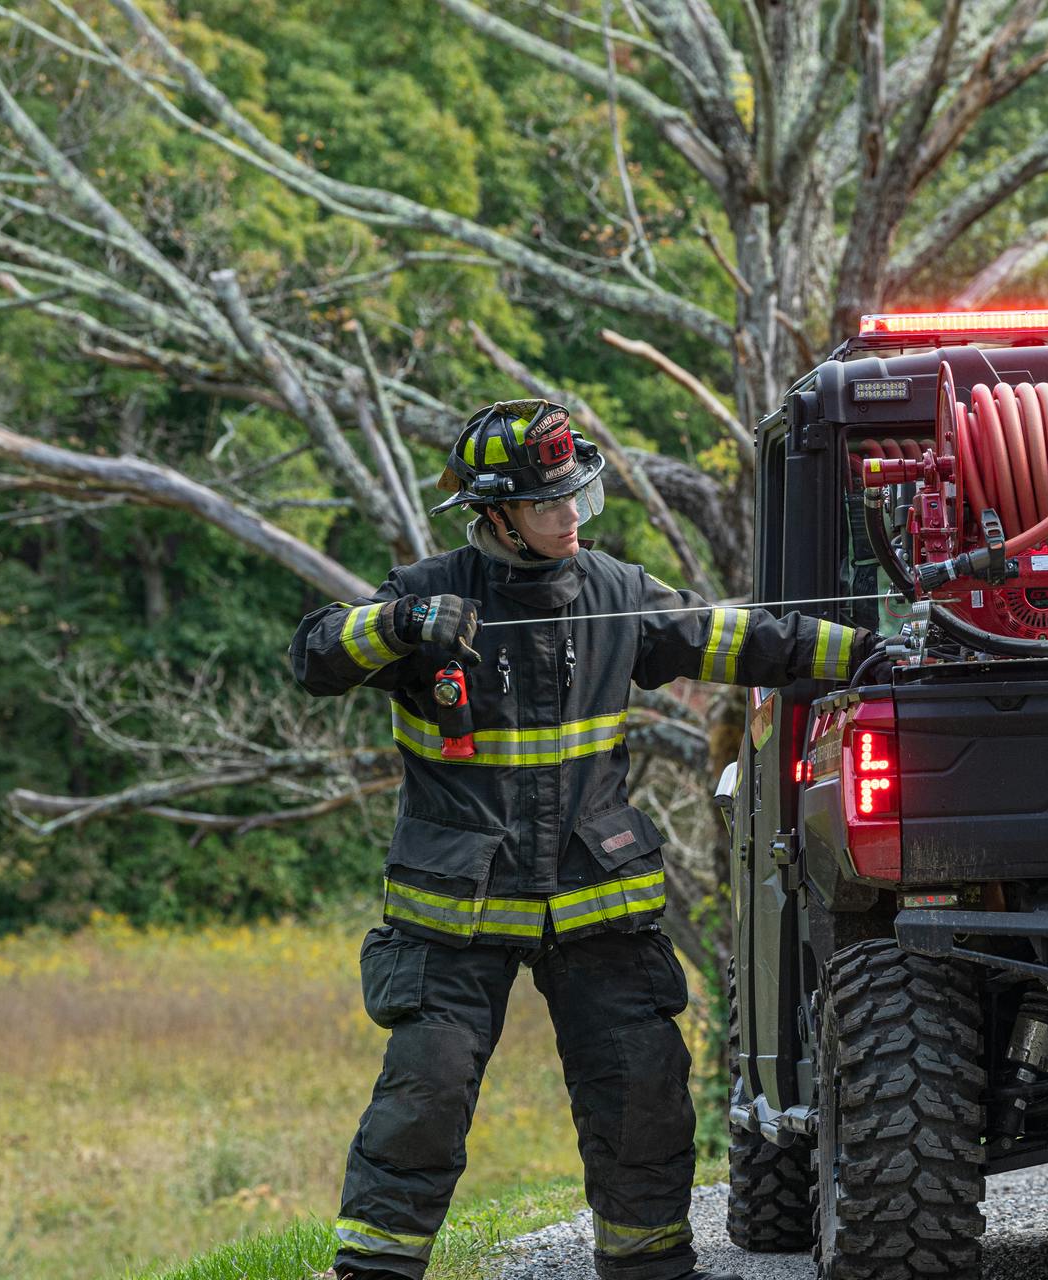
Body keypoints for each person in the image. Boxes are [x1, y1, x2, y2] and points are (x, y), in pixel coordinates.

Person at [290, 399, 873, 1280]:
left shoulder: (615, 593)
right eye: (550, 504)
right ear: (495, 516)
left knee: (642, 1092)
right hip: (457, 912)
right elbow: (314, 655)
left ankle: (646, 1266)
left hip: (596, 904)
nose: (572, 518)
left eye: (581, 500)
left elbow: (743, 638)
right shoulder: (421, 596)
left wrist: (871, 653)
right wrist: (402, 627)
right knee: (427, 1094)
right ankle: (375, 1269)